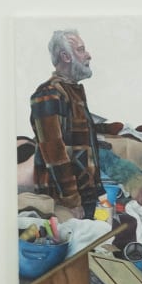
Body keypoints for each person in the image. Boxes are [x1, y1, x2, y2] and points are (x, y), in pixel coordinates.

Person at [29, 29, 104, 217]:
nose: (88, 55)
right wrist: (71, 199)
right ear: (65, 56)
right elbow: (54, 153)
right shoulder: (48, 94)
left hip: (84, 195)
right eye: (81, 50)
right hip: (61, 201)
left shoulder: (72, 91)